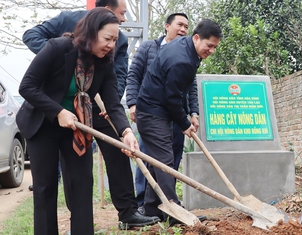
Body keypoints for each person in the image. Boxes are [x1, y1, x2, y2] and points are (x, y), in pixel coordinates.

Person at [22, 0, 160, 229]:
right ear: (91, 33)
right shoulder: (57, 48)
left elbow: (113, 103)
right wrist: (58, 112)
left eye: (115, 41)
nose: (111, 45)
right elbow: (27, 87)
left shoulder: (105, 62)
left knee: (82, 184)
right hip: (42, 124)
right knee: (45, 188)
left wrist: (126, 131)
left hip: (77, 126)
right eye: (108, 39)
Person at [124, 19, 222, 224]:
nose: (212, 51)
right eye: (209, 45)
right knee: (165, 162)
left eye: (215, 47)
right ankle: (173, 212)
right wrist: (184, 124)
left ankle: (152, 208)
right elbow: (172, 98)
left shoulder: (186, 47)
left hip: (154, 110)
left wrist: (190, 115)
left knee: (157, 162)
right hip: (152, 113)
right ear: (196, 38)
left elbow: (181, 90)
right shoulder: (183, 61)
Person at [126, 12, 199, 212]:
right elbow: (133, 76)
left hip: (176, 114)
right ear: (167, 26)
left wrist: (193, 113)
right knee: (151, 155)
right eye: (180, 25)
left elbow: (190, 87)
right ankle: (144, 202)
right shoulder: (149, 47)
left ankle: (158, 203)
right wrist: (132, 103)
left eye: (186, 26)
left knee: (169, 160)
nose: (183, 29)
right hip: (152, 112)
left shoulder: (189, 56)